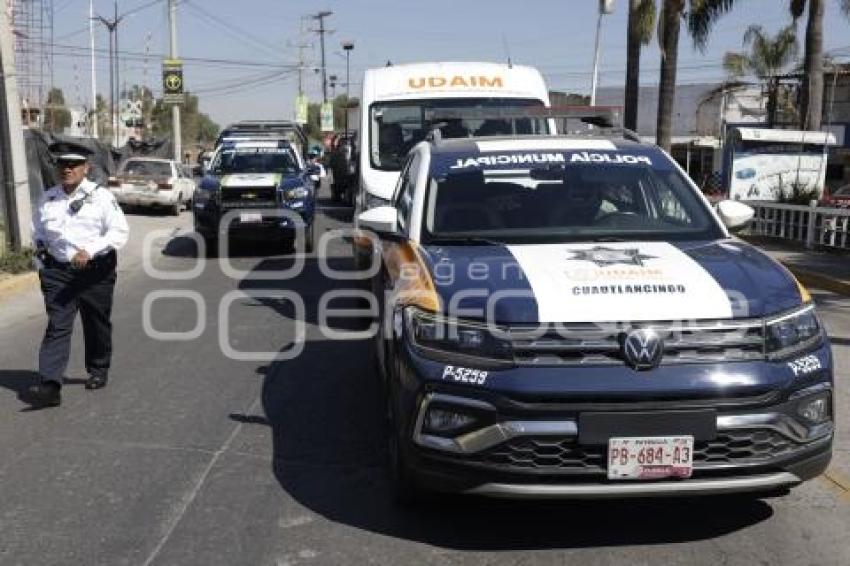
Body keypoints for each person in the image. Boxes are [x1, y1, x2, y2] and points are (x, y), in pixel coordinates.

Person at [30, 141, 130, 407]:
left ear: (87, 167)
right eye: (63, 164)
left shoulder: (102, 197)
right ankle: (50, 385)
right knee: (57, 326)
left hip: (95, 272)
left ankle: (98, 369)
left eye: (74, 164)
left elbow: (118, 231)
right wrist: (42, 259)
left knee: (96, 323)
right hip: (58, 273)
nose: (68, 169)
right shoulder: (48, 198)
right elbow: (38, 232)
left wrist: (91, 250)